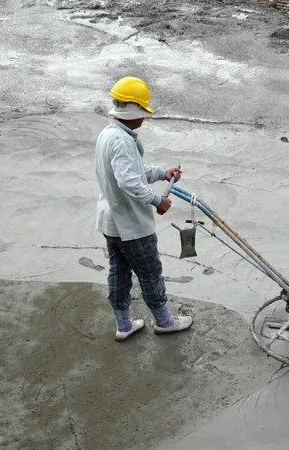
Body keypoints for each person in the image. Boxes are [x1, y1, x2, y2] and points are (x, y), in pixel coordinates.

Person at [95, 76, 193, 342]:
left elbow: (131, 173)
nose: (145, 119)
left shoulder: (108, 134)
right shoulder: (123, 141)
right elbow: (129, 182)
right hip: (131, 225)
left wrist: (162, 173)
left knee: (119, 271)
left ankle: (123, 324)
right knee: (150, 271)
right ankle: (164, 321)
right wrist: (156, 200)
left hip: (111, 222)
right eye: (143, 113)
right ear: (133, 111)